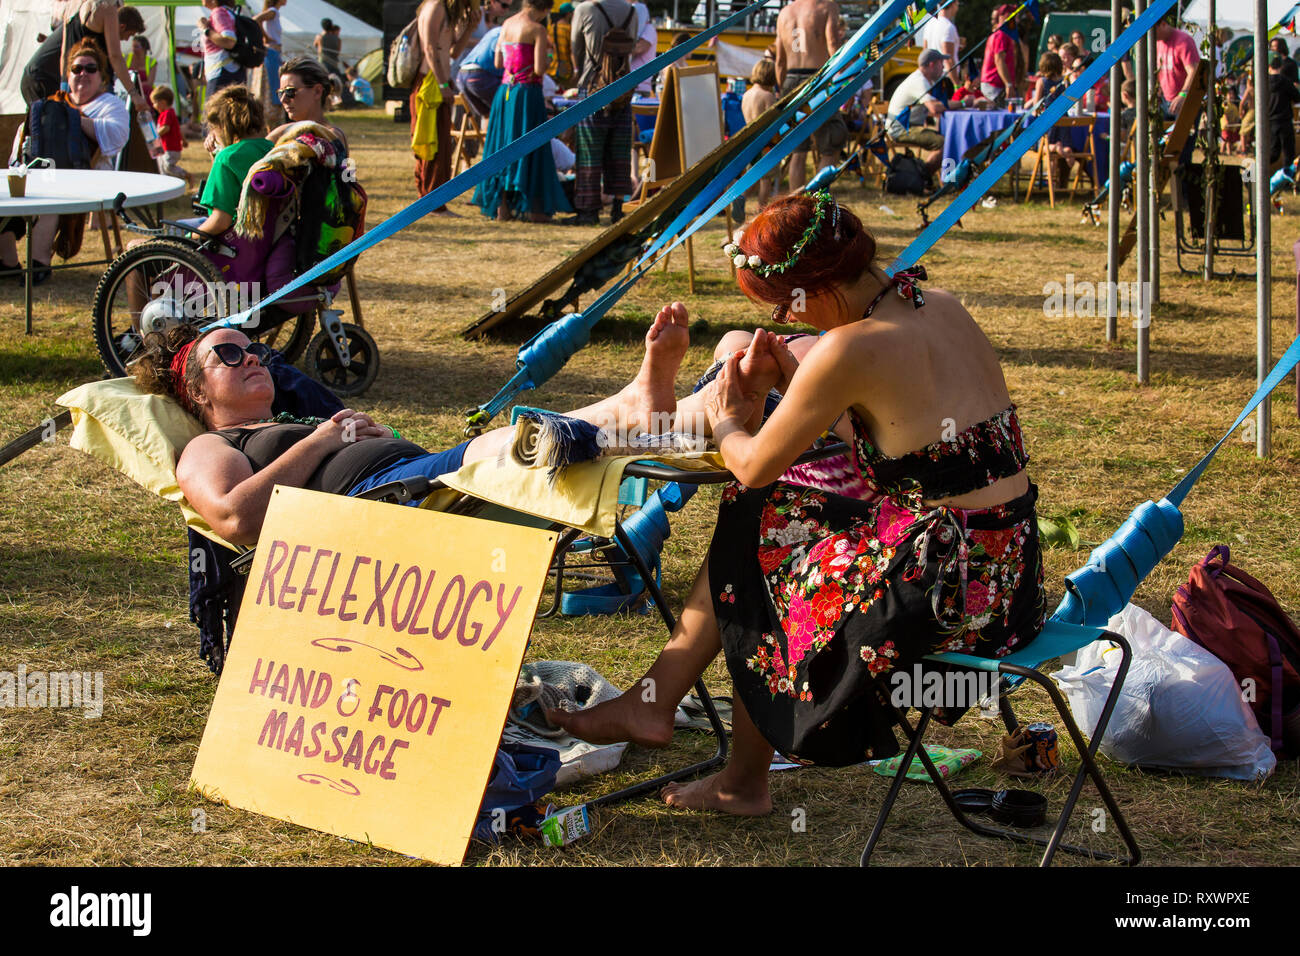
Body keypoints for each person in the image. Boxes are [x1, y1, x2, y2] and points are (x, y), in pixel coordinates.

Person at [552, 192, 1046, 815]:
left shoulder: (849, 348)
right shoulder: (940, 307)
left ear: (816, 285)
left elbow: (755, 464)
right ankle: (700, 739)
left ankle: (693, 731)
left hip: (943, 594)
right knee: (775, 520)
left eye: (787, 301)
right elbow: (907, 435)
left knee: (756, 516)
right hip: (1010, 576)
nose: (790, 314)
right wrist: (794, 381)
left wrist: (732, 419)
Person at [130, 298, 747, 548]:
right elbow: (236, 519)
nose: (252, 359)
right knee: (512, 447)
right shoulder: (210, 446)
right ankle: (656, 407)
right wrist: (322, 440)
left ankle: (701, 412)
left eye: (255, 350)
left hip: (411, 478)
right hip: (386, 503)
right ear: (194, 388)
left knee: (504, 449)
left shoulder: (283, 416)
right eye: (228, 355)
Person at [2, 39, 130, 284]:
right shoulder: (54, 102)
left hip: (87, 180)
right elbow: (24, 135)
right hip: (39, 175)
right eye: (76, 69)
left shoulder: (108, 105)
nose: (83, 74)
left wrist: (72, 118)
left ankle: (39, 263)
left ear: (102, 76)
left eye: (90, 69)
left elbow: (116, 137)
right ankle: (8, 262)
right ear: (68, 75)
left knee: (52, 197)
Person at [472, 0, 573, 221]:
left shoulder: (506, 24)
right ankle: (534, 208)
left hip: (505, 92)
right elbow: (539, 68)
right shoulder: (537, 29)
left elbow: (499, 62)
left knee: (503, 144)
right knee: (531, 145)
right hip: (527, 93)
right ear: (544, 8)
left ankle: (503, 207)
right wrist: (548, 54)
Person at [567, 0, 641, 226]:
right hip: (622, 88)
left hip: (592, 88)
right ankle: (618, 209)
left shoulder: (585, 9)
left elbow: (576, 48)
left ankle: (588, 211)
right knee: (619, 153)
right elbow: (633, 45)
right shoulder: (632, 11)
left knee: (589, 153)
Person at [412, 0, 483, 207]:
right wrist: (442, 83)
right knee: (431, 141)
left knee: (442, 143)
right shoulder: (435, 6)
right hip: (431, 81)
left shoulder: (446, 11)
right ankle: (430, 201)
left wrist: (469, 27)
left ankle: (436, 201)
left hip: (441, 80)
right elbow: (430, 48)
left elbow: (452, 52)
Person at [20, 0, 148, 114]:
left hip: (62, 82)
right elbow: (115, 55)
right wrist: (134, 94)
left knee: (56, 133)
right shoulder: (107, 8)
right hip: (86, 88)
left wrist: (64, 87)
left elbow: (65, 54)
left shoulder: (72, 7)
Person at [774, 0, 846, 191]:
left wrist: (782, 92)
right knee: (832, 143)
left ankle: (798, 206)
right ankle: (816, 200)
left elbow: (779, 60)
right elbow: (832, 44)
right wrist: (842, 78)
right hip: (817, 78)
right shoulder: (826, 6)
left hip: (790, 79)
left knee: (798, 149)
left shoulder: (784, 13)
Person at [885, 48, 946, 175]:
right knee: (944, 143)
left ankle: (926, 175)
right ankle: (922, 176)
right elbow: (934, 109)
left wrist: (961, 103)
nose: (944, 66)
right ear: (932, 64)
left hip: (907, 126)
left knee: (946, 140)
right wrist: (963, 103)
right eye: (941, 63)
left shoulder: (922, 79)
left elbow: (937, 106)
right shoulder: (919, 81)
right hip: (901, 129)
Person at [268, 56, 347, 149]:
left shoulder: (330, 137)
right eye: (281, 93)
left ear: (317, 91)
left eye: (290, 91)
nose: (283, 100)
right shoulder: (281, 133)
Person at [739, 58, 780, 211]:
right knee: (766, 179)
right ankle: (761, 210)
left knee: (753, 176)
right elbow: (772, 119)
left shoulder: (746, 95)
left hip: (751, 141)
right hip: (766, 143)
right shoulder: (767, 96)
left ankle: (742, 197)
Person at [456, 21, 505, 123]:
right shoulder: (505, 34)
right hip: (478, 75)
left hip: (462, 75)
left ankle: (488, 138)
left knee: (489, 115)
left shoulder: (494, 31)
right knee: (507, 110)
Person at [1155, 15, 1200, 117]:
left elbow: (1193, 70)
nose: (1152, 36)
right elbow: (1159, 70)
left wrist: (1183, 94)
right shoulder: (1158, 43)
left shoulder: (1183, 41)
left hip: (1183, 101)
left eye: (1154, 31)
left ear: (1163, 24)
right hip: (1165, 100)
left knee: (1181, 132)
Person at [200, 0, 246, 97]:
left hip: (222, 73)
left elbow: (229, 42)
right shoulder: (227, 12)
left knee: (214, 111)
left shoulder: (219, 13)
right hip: (229, 71)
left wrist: (206, 30)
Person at [151, 85, 192, 187]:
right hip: (165, 148)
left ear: (163, 102)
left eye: (155, 103)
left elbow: (166, 128)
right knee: (163, 168)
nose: (153, 106)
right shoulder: (166, 114)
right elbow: (178, 129)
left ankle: (186, 175)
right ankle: (165, 185)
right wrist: (184, 140)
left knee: (169, 167)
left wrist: (154, 136)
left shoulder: (168, 113)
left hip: (171, 148)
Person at [979, 4, 1017, 106]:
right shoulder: (1002, 34)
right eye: (1014, 15)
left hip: (994, 83)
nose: (1017, 19)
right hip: (994, 84)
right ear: (1005, 16)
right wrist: (1008, 84)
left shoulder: (1002, 33)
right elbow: (999, 60)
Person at [919, 0, 959, 93]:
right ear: (952, 4)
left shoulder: (929, 24)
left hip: (932, 77)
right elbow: (948, 58)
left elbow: (925, 52)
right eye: (957, 4)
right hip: (946, 79)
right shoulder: (948, 27)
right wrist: (956, 84)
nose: (957, 8)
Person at [1268, 55, 1300, 170]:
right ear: (1281, 66)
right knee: (1288, 154)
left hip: (1269, 122)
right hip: (1285, 121)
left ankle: (1253, 173)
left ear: (1269, 66)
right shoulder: (1285, 81)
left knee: (1273, 153)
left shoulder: (1263, 82)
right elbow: (1297, 97)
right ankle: (1286, 179)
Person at [256, 0, 287, 112]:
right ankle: (272, 112)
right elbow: (256, 19)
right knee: (273, 85)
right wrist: (266, 38)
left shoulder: (274, 13)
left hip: (274, 50)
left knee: (272, 84)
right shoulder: (273, 11)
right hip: (272, 50)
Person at [548, 2, 576, 90]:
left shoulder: (552, 27)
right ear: (568, 14)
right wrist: (576, 69)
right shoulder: (569, 29)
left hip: (552, 68)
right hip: (566, 70)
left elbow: (549, 50)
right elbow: (572, 51)